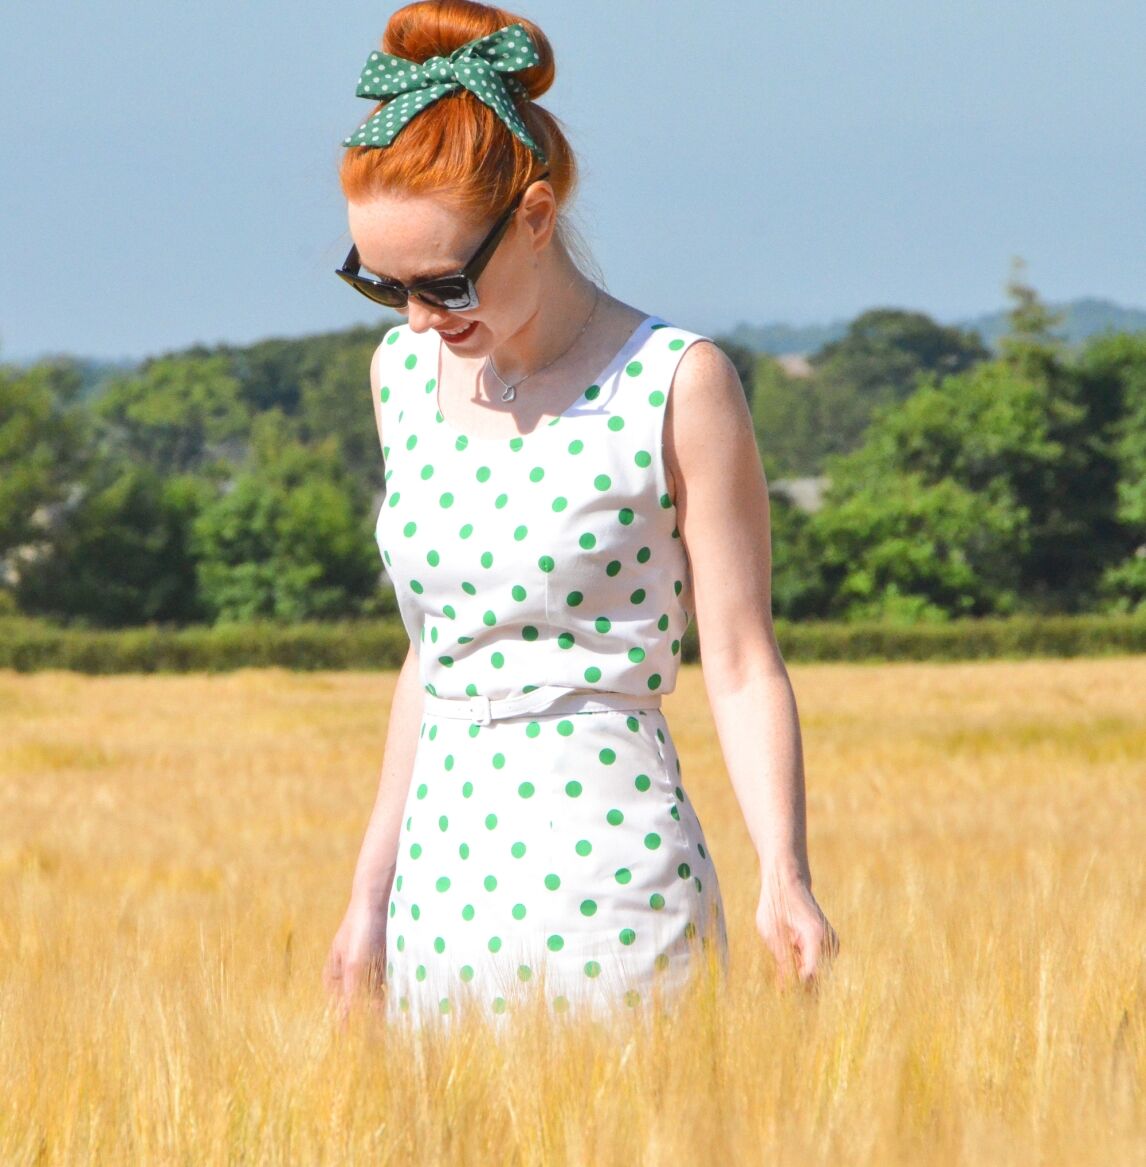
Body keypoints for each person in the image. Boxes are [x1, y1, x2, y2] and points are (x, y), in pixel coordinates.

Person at [322, 0, 836, 1022]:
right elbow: (434, 653)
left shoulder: (676, 383)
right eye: (384, 286)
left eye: (445, 282)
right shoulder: (400, 375)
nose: (423, 317)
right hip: (440, 883)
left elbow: (739, 660)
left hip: (615, 877)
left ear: (537, 215)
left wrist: (785, 871)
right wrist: (367, 898)